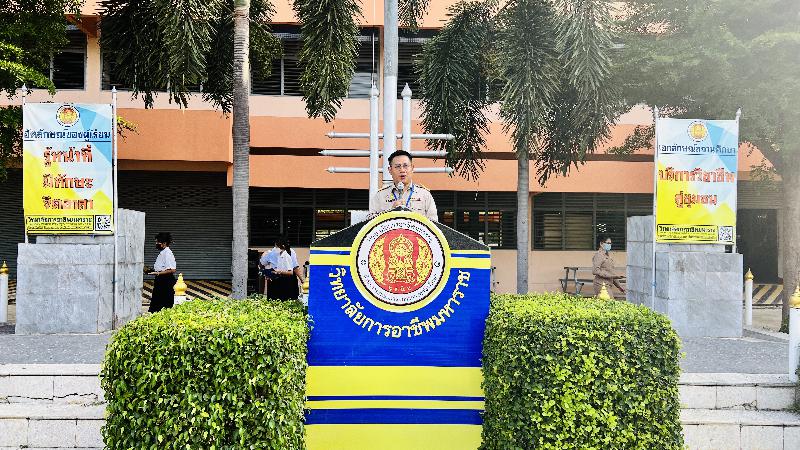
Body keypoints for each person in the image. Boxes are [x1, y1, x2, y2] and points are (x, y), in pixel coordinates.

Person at [369, 150, 438, 221]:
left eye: (405, 166)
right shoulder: (380, 195)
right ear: (390, 170)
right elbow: (370, 222)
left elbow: (434, 223)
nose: (402, 170)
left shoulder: (424, 195)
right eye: (397, 166)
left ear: (412, 168)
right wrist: (390, 212)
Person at [148, 232, 177, 312]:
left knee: (163, 302)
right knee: (157, 301)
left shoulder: (167, 253)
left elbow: (172, 269)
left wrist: (158, 273)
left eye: (158, 242)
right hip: (160, 279)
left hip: (166, 280)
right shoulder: (163, 252)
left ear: (164, 243)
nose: (156, 244)